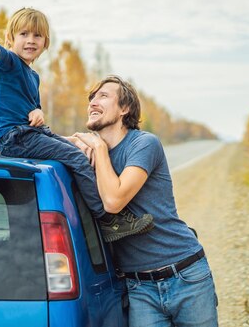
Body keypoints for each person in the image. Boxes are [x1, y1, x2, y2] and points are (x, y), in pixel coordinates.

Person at [0, 8, 153, 242]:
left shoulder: (32, 76)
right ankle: (107, 220)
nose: (30, 40)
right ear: (10, 39)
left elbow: (31, 107)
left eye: (37, 36)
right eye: (23, 34)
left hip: (30, 131)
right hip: (14, 137)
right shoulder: (11, 63)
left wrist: (37, 111)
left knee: (77, 151)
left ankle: (90, 205)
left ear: (46, 43)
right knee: (76, 158)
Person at [73, 75, 218, 327]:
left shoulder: (143, 144)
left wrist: (98, 150)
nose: (93, 102)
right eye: (92, 98)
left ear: (124, 109)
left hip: (185, 275)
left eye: (103, 96)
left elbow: (114, 200)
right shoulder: (90, 151)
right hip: (139, 288)